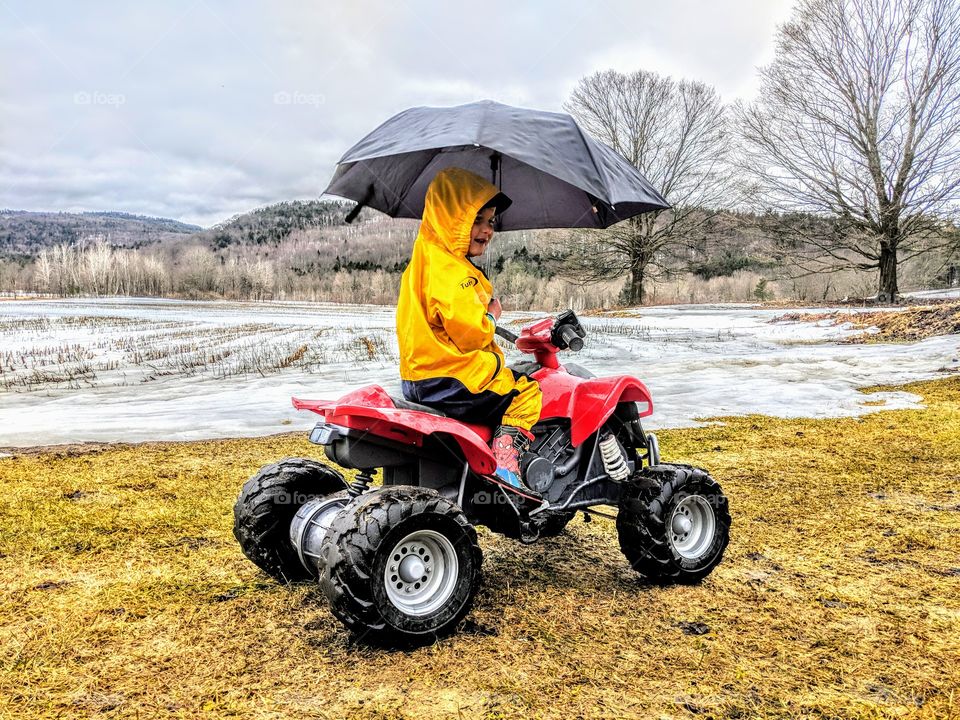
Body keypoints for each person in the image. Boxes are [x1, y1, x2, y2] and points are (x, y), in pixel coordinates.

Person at [396, 167, 542, 495]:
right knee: (526, 391)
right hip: (454, 379)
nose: (487, 230)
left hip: (418, 379)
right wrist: (490, 316)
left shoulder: (423, 261)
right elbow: (471, 335)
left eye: (491, 222)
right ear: (452, 220)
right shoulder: (453, 270)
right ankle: (506, 461)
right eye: (477, 220)